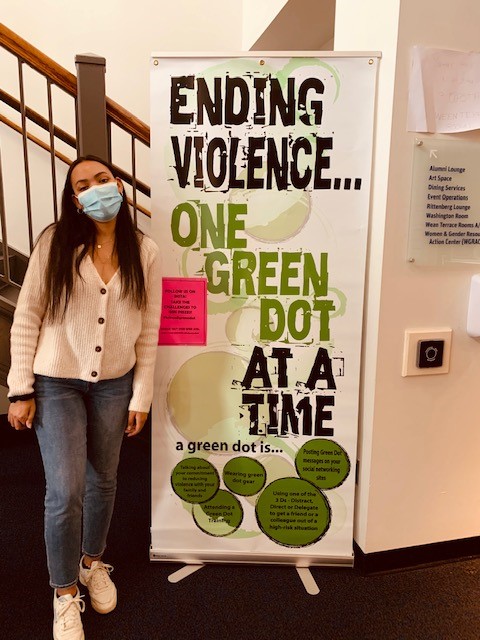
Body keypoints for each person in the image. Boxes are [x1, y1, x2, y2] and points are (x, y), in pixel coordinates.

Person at [7, 155, 162, 640]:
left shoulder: (144, 251)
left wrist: (142, 395)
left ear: (117, 184)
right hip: (56, 383)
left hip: (115, 382)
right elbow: (27, 316)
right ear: (74, 199)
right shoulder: (55, 243)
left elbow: (149, 331)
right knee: (65, 491)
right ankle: (65, 593)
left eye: (102, 179)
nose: (96, 189)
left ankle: (94, 563)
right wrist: (19, 388)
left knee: (105, 479)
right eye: (83, 185)